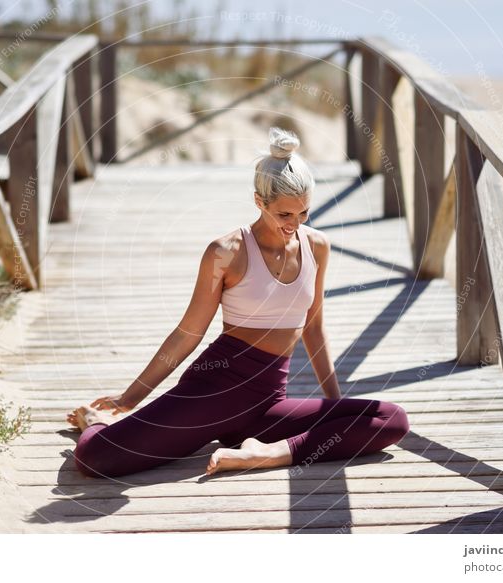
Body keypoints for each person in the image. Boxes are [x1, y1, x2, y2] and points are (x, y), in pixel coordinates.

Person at [67, 127, 410, 478]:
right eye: (284, 215)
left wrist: (334, 407)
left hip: (268, 402)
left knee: (391, 418)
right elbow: (188, 333)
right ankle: (96, 423)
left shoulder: (317, 246)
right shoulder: (226, 252)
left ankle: (270, 453)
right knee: (97, 457)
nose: (294, 224)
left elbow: (314, 327)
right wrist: (129, 399)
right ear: (260, 202)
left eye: (303, 213)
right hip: (214, 392)